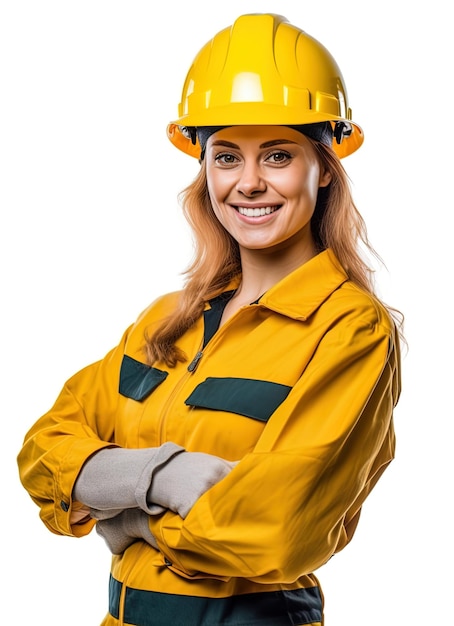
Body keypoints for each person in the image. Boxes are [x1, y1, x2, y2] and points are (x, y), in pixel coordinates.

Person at [17, 13, 402, 626]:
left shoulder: (349, 329)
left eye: (277, 155)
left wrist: (125, 510)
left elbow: (273, 529)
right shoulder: (166, 320)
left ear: (324, 166)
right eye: (227, 157)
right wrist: (162, 478)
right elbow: (43, 453)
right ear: (205, 172)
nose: (249, 184)